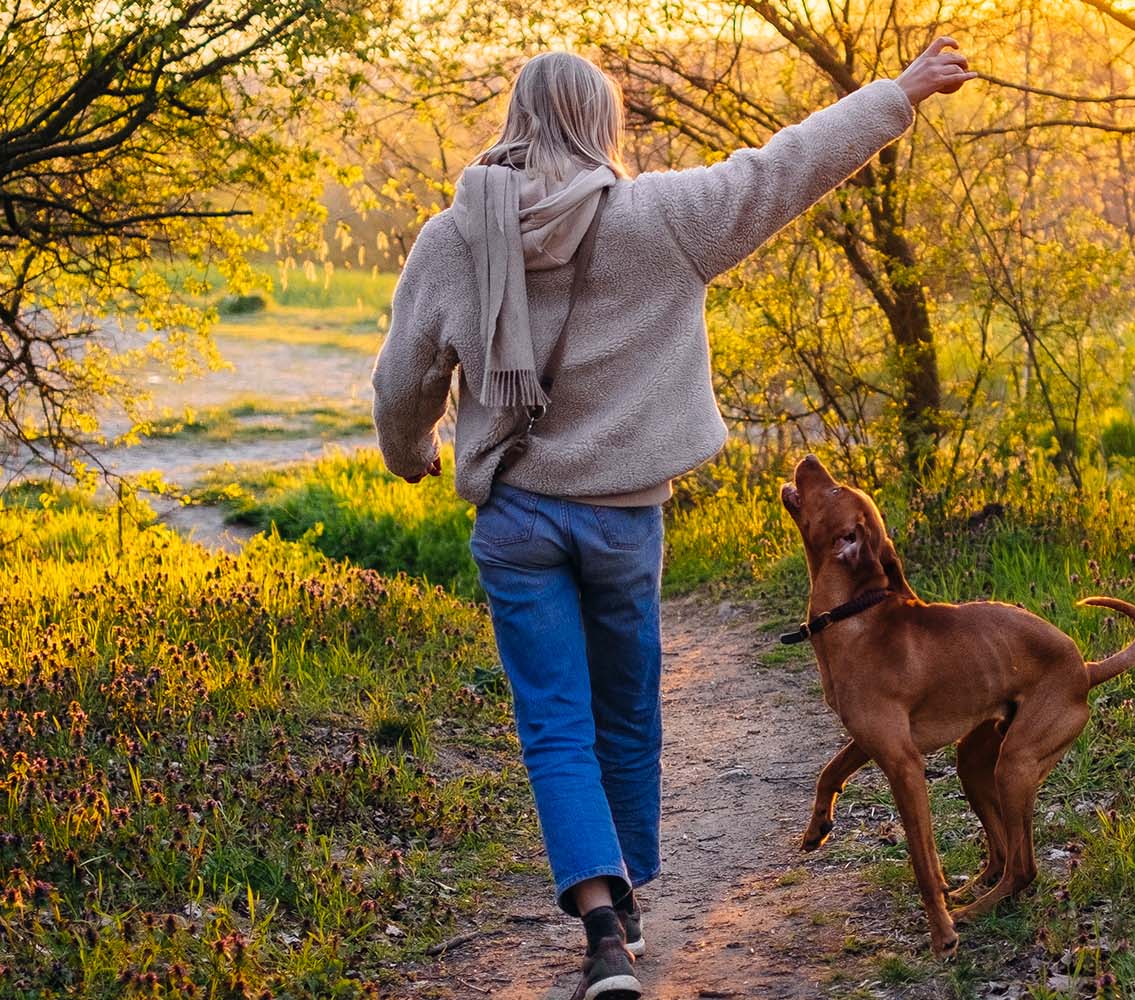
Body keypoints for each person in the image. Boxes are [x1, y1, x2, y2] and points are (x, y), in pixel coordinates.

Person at [371, 38, 976, 1000]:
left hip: (517, 520)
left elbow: (404, 380)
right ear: (600, 123)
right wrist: (897, 95)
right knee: (628, 712)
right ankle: (628, 899)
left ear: (516, 122)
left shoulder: (455, 238)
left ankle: (602, 923)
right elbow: (785, 168)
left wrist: (413, 457)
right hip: (621, 523)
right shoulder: (657, 218)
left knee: (555, 726)